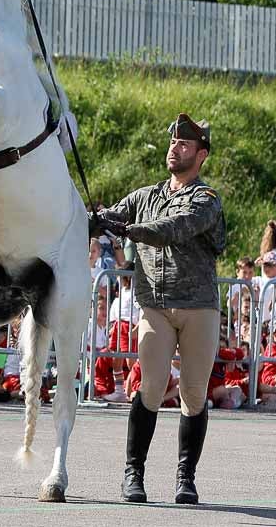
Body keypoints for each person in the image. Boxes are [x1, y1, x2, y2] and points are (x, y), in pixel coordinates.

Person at [95, 114, 224, 506]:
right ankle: (133, 473)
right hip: (156, 306)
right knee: (149, 387)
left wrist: (130, 231)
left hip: (198, 307)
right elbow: (112, 217)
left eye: (184, 144)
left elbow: (175, 227)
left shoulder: (206, 200)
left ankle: (186, 477)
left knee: (193, 393)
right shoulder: (144, 196)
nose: (175, 147)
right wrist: (95, 219)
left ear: (201, 154)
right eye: (173, 142)